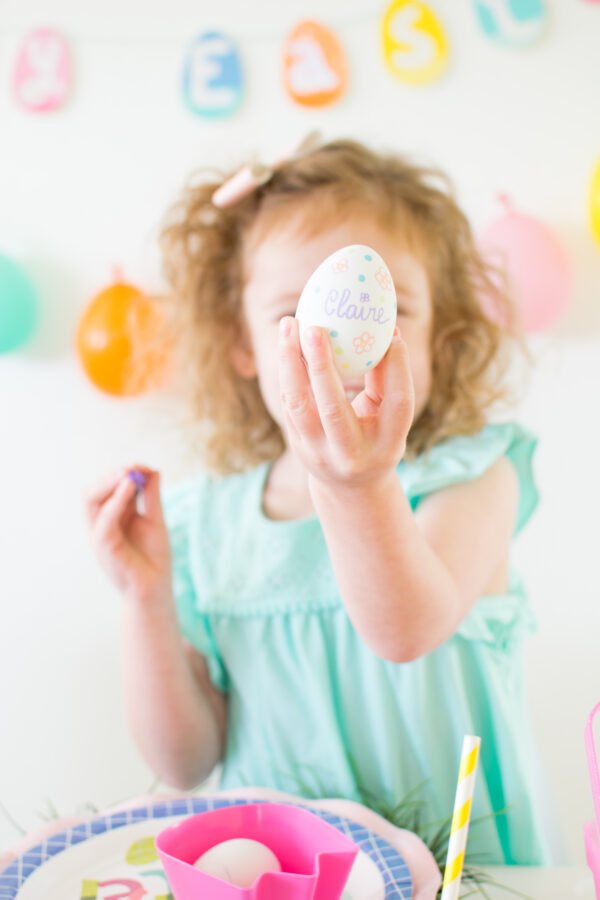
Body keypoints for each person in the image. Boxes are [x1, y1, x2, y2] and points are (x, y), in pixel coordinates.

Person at [85, 137, 554, 865]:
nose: (339, 347)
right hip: (281, 875)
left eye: (383, 311)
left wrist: (355, 483)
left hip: (458, 873)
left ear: (441, 337)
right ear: (243, 343)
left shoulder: (474, 477)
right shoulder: (207, 524)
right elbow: (184, 761)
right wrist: (146, 601)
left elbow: (405, 631)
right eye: (300, 314)